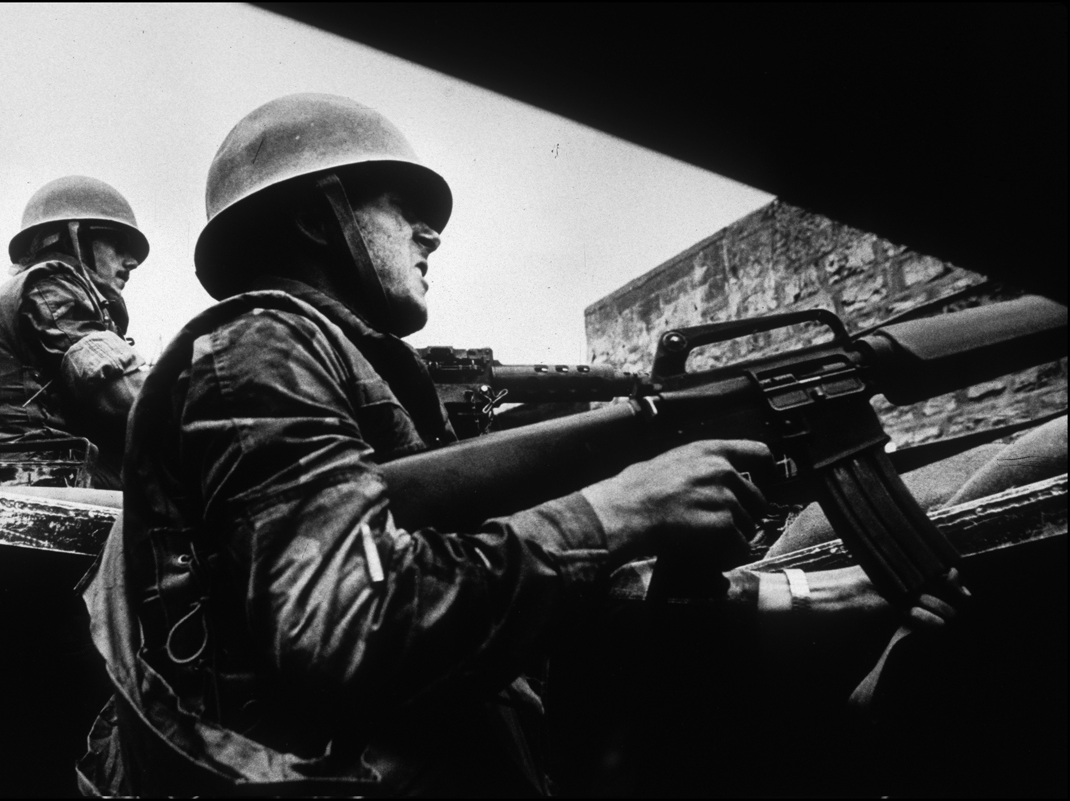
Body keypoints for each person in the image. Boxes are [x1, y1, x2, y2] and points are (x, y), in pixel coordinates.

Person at [77, 94, 957, 797]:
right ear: (322, 216)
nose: (432, 231)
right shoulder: (256, 347)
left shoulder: (350, 370)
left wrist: (803, 598)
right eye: (405, 206)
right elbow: (338, 625)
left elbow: (523, 603)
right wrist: (618, 509)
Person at [0, 176, 150, 489]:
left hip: (33, 474)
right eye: (117, 243)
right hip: (34, 477)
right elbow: (120, 394)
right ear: (73, 237)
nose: (132, 261)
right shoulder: (51, 287)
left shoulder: (53, 293)